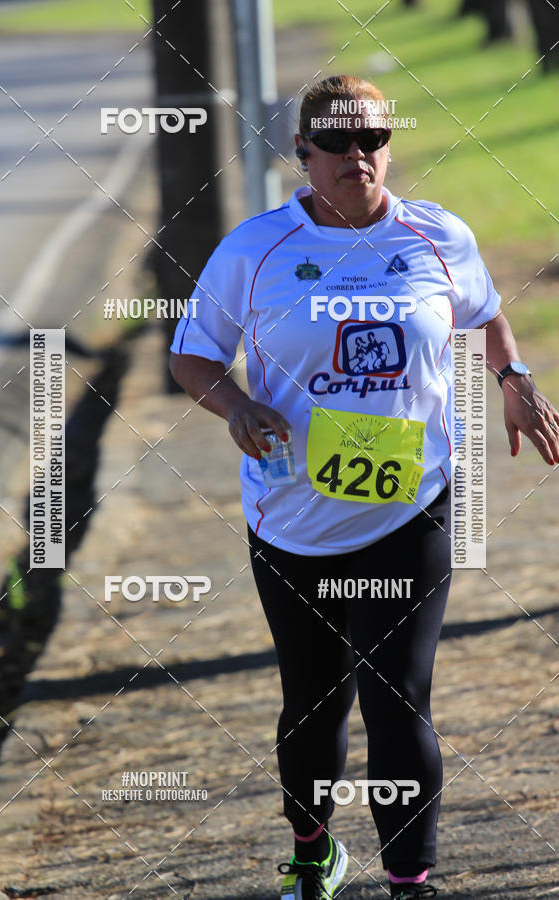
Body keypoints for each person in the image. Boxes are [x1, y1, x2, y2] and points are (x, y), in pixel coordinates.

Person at [169, 75, 559, 900]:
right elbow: (192, 354)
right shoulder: (255, 250)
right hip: (293, 516)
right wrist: (235, 404)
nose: (358, 155)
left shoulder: (436, 234)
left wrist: (514, 375)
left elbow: (484, 311)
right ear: (301, 152)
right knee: (313, 704)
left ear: (389, 146)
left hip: (412, 503)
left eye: (373, 139)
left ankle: (410, 883)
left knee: (398, 699)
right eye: (338, 142)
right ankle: (312, 850)